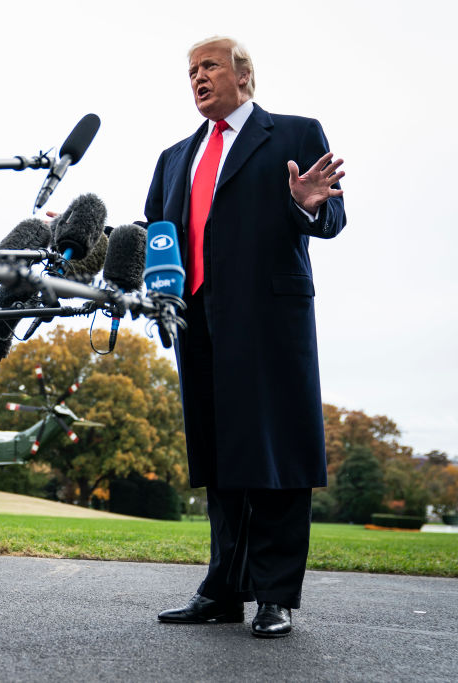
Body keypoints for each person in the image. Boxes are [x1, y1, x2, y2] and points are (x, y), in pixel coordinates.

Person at [145, 36, 345, 638]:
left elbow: (332, 216)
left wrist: (307, 204)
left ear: (243, 74)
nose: (197, 77)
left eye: (208, 66)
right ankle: (223, 590)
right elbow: (157, 233)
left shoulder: (294, 134)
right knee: (220, 457)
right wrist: (107, 245)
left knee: (274, 454)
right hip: (197, 322)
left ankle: (275, 596)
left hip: (269, 324)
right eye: (190, 70)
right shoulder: (174, 157)